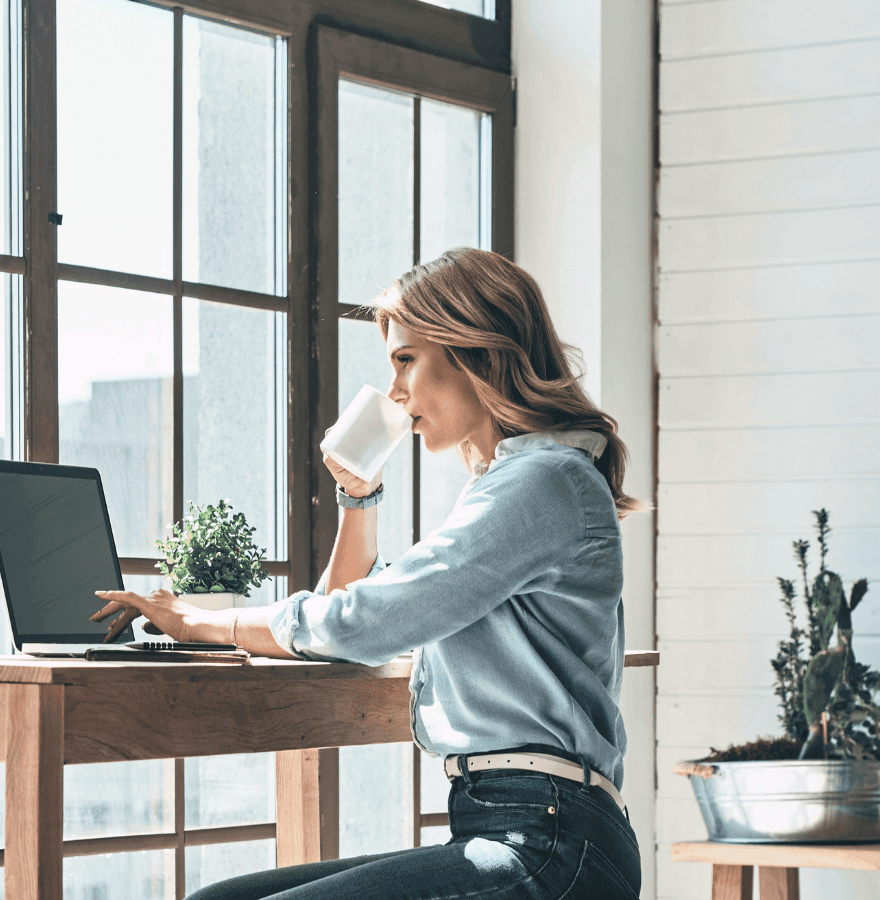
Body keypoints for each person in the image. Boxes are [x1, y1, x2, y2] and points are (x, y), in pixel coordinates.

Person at [90, 247, 646, 899]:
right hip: (508, 827)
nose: (396, 392)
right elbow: (344, 625)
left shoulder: (543, 482)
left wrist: (198, 623)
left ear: (477, 350)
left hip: (550, 843)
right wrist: (358, 499)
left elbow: (362, 624)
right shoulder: (511, 486)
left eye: (406, 360)